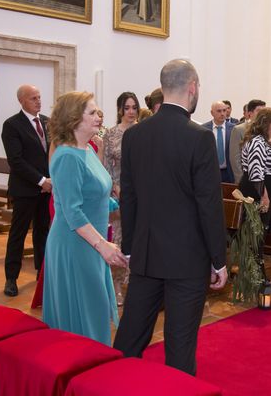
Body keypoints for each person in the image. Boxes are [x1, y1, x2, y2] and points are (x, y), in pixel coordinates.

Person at [114, 59, 227, 376]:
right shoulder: (199, 137)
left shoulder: (135, 136)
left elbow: (130, 196)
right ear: (192, 87)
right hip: (187, 261)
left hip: (146, 255)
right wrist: (218, 260)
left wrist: (131, 249)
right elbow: (209, 205)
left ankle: (109, 386)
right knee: (179, 346)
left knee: (129, 340)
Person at [43, 92, 127, 345]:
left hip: (90, 241)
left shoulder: (87, 150)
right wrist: (103, 246)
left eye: (98, 111)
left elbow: (95, 194)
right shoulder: (68, 156)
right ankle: (82, 368)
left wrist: (121, 204)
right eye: (92, 112)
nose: (99, 116)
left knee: (94, 307)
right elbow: (72, 211)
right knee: (86, 310)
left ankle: (92, 364)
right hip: (75, 244)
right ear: (73, 120)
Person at [1, 85, 52, 297]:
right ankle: (11, 278)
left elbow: (52, 152)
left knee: (43, 233)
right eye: (33, 98)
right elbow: (16, 161)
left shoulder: (48, 122)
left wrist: (50, 180)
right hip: (25, 189)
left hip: (47, 189)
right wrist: (41, 180)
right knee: (18, 234)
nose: (38, 101)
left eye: (39, 97)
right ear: (22, 101)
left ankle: (42, 274)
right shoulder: (12, 125)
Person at [104, 92, 140, 306]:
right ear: (120, 110)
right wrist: (114, 186)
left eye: (134, 107)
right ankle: (117, 285)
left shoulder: (144, 131)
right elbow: (107, 164)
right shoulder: (111, 134)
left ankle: (134, 283)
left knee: (138, 238)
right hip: (118, 192)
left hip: (141, 191)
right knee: (118, 238)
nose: (131, 112)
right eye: (127, 107)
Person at [239, 108, 271, 249]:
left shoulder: (267, 141)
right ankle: (254, 269)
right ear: (264, 124)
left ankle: (256, 264)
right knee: (256, 235)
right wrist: (264, 196)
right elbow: (256, 170)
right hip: (259, 191)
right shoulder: (257, 141)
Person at [229, 99, 266, 183]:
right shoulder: (239, 129)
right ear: (250, 113)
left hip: (264, 179)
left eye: (264, 111)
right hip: (246, 178)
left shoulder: (267, 130)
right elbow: (235, 157)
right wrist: (241, 179)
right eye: (259, 111)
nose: (262, 114)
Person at [202, 101, 235, 183]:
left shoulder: (234, 129)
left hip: (228, 172)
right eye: (219, 111)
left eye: (224, 110)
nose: (222, 113)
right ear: (212, 113)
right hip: (210, 172)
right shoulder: (204, 129)